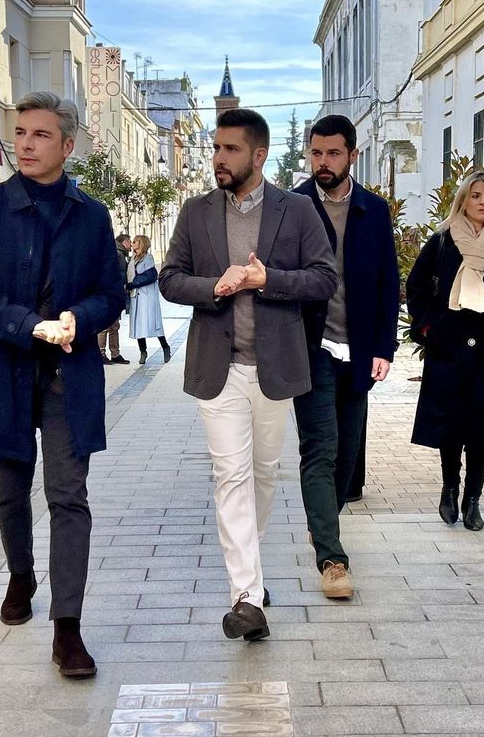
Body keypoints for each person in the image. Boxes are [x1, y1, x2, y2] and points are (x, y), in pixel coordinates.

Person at [0, 91, 126, 679]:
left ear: (67, 146)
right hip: (4, 367)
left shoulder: (93, 215)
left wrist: (81, 317)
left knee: (68, 496)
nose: (25, 143)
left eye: (41, 134)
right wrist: (31, 325)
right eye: (20, 132)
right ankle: (20, 575)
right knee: (9, 488)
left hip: (68, 377)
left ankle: (68, 629)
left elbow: (112, 292)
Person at [161, 107, 336, 641]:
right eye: (216, 148)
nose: (218, 158)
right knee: (230, 477)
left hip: (274, 368)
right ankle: (246, 597)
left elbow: (324, 279)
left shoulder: (298, 211)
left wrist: (267, 280)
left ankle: (250, 582)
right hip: (219, 368)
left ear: (258, 155)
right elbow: (170, 279)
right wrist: (215, 286)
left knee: (261, 476)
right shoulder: (194, 213)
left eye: (230, 149)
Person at [291, 114, 399, 600]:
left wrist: (384, 347)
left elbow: (386, 283)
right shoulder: (293, 206)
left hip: (356, 350)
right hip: (310, 347)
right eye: (316, 153)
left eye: (333, 153)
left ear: (352, 155)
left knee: (347, 454)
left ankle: (323, 521)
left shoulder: (374, 211)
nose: (323, 163)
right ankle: (332, 559)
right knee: (321, 447)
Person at [405, 170, 484, 532]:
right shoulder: (443, 241)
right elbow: (416, 285)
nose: (482, 202)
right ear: (463, 200)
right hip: (450, 345)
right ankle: (449, 488)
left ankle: (473, 499)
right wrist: (429, 326)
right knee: (452, 423)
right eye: (475, 195)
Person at [126, 235, 172, 364]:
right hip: (136, 296)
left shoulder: (148, 258)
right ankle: (143, 351)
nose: (132, 244)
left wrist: (133, 283)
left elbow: (150, 276)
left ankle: (165, 347)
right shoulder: (132, 259)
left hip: (147, 297)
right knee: (138, 326)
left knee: (152, 323)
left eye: (135, 242)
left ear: (141, 244)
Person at [98, 234, 132, 364]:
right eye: (130, 241)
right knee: (107, 326)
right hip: (111, 293)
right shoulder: (117, 254)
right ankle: (102, 352)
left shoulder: (119, 253)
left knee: (114, 325)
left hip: (115, 293)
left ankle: (114, 353)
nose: (131, 244)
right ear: (124, 242)